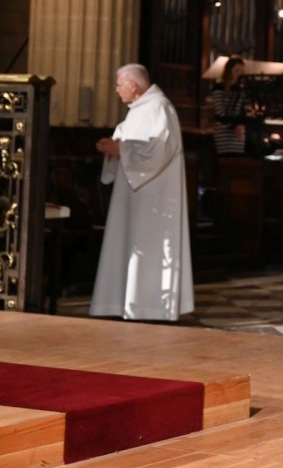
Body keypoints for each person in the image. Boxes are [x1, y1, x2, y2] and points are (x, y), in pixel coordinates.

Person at [90, 64, 195, 321]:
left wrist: (121, 150)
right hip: (133, 197)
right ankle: (124, 303)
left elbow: (158, 149)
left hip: (154, 199)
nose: (116, 90)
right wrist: (115, 149)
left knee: (150, 245)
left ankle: (151, 306)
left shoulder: (160, 107)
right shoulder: (139, 110)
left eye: (118, 85)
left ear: (133, 86)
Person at [211, 55, 250, 156]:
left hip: (239, 133)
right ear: (229, 71)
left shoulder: (242, 90)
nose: (239, 75)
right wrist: (236, 125)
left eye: (242, 72)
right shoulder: (219, 88)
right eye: (237, 71)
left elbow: (243, 111)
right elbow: (220, 113)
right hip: (224, 132)